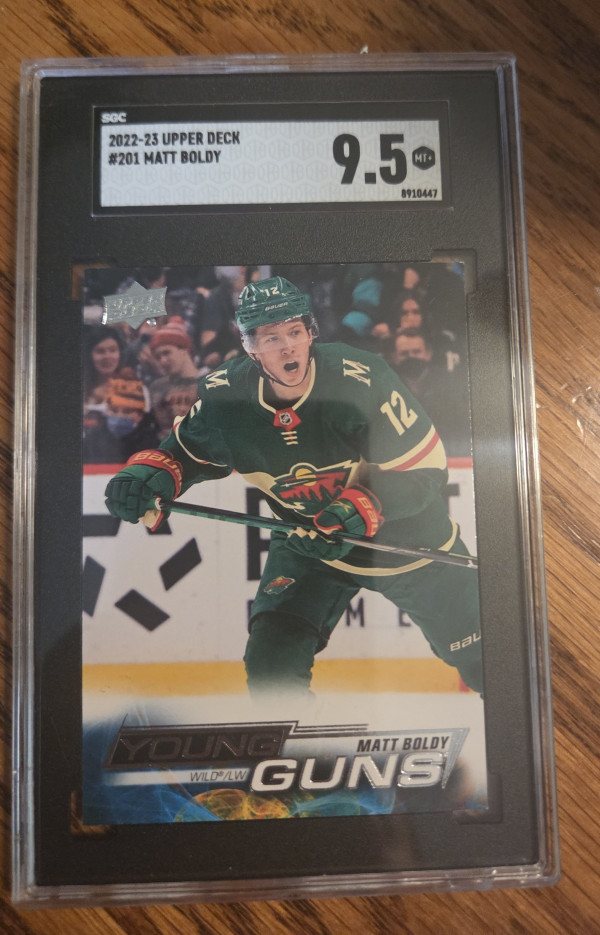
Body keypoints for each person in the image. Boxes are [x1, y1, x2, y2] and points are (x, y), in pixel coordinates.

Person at [105, 277, 482, 697]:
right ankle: (292, 738)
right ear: (249, 347)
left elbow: (423, 471)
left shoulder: (361, 379)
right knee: (272, 668)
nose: (288, 347)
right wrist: (147, 477)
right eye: (272, 337)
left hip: (409, 544)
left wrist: (355, 509)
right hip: (309, 542)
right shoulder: (225, 398)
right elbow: (185, 455)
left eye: (295, 332)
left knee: (486, 659)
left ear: (310, 333)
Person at [83, 368, 160, 464]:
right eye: (114, 410)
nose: (119, 415)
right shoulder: (92, 439)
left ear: (140, 415)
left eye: (127, 411)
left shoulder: (152, 445)